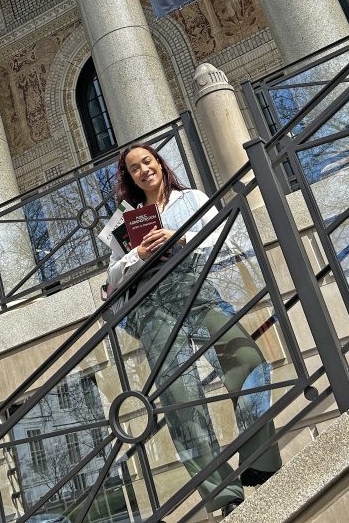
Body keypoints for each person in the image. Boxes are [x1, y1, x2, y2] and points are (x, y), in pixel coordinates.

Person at [106, 143, 282, 516]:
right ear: (130, 178)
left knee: (249, 360)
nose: (143, 171)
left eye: (147, 162)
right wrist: (136, 256)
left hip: (197, 290)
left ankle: (257, 460)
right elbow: (111, 283)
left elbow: (227, 241)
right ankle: (222, 494)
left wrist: (181, 238)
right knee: (181, 399)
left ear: (159, 163)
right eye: (134, 168)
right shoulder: (124, 221)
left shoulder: (193, 199)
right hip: (152, 307)